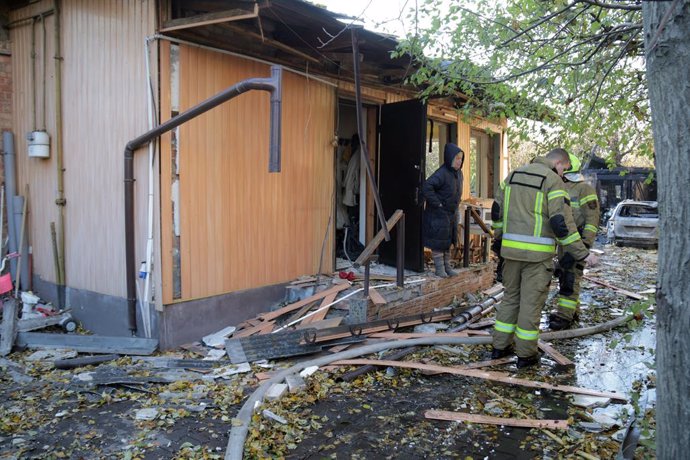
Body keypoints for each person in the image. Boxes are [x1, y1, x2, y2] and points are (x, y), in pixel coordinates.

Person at [490, 148, 597, 368]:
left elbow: (496, 212)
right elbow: (561, 224)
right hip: (537, 258)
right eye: (564, 169)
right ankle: (526, 356)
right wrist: (583, 253)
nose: (563, 174)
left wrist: (499, 241)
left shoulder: (512, 176)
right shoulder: (552, 181)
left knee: (510, 298)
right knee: (530, 303)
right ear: (558, 163)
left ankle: (499, 347)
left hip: (510, 253)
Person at [549, 153, 601, 330]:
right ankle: (573, 312)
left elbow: (592, 221)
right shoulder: (559, 185)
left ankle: (564, 317)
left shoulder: (584, 189)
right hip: (564, 243)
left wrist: (584, 246)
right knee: (565, 277)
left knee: (570, 279)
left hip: (577, 243)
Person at [422, 143, 464, 278]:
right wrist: (438, 204)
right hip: (438, 214)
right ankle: (439, 269)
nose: (460, 161)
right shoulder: (442, 173)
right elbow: (427, 187)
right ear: (450, 158)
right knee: (438, 242)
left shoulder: (459, 174)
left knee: (448, 241)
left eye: (461, 158)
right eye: (457, 158)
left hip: (451, 213)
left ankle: (447, 267)